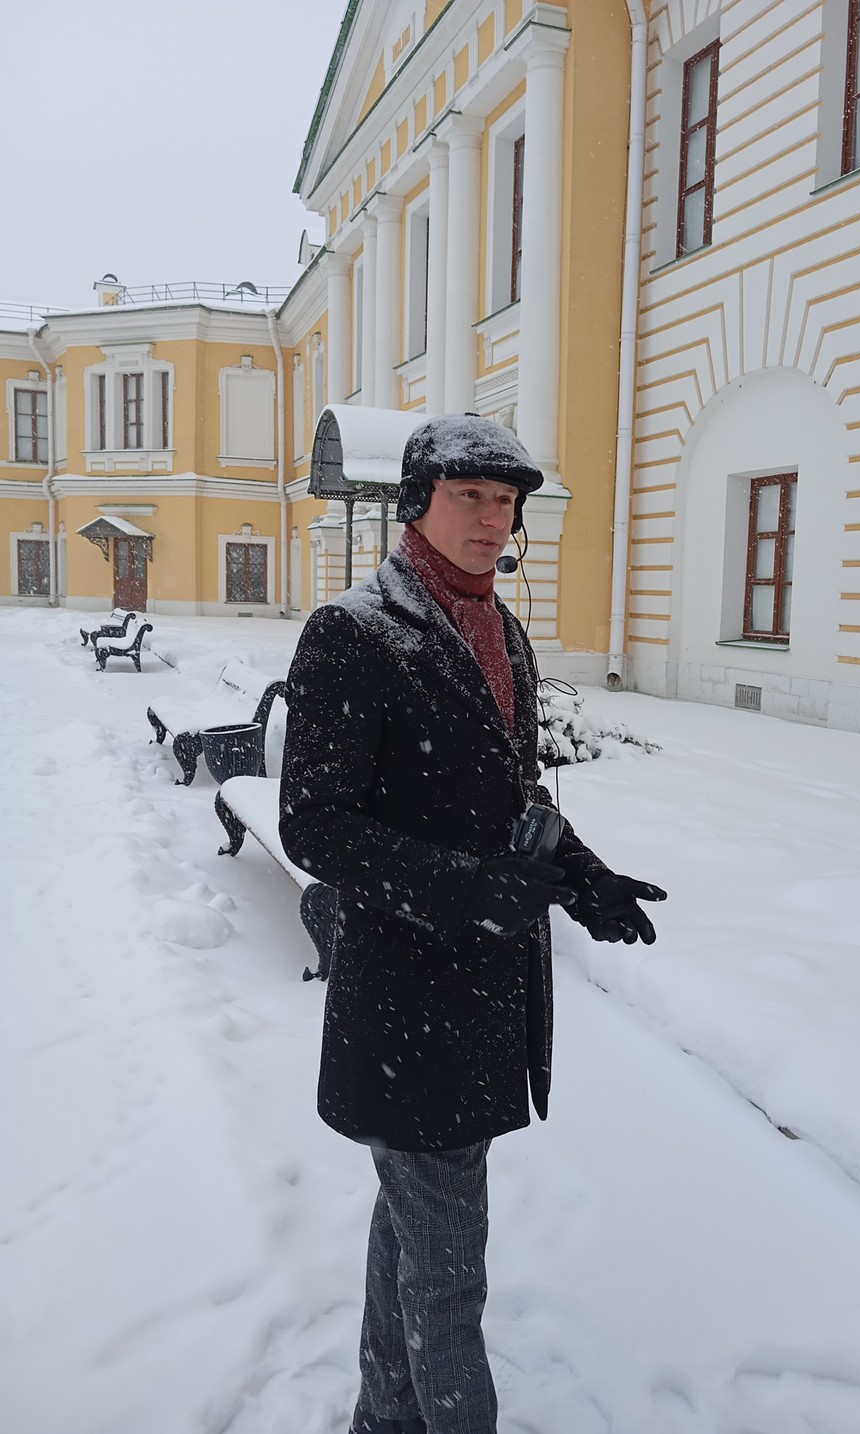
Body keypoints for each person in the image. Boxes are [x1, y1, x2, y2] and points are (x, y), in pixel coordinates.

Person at [279, 413, 666, 1434]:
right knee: (448, 1270)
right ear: (418, 502)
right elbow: (314, 824)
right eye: (472, 498)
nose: (494, 521)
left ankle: (384, 1416)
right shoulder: (354, 633)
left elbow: (514, 806)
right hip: (407, 997)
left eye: (507, 504)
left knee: (414, 1224)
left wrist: (588, 879)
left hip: (480, 1001)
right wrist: (463, 891)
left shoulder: (501, 628)